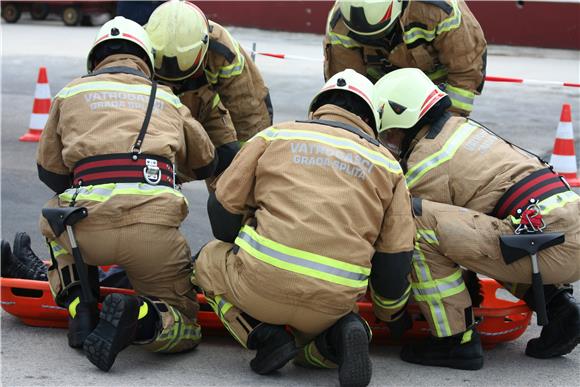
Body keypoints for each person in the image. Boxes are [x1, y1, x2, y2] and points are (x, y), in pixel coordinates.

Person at [193, 69, 415, 387]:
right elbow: (394, 259)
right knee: (311, 346)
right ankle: (340, 334)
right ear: (372, 121)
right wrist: (392, 315)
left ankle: (265, 337)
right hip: (332, 302)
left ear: (316, 109)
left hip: (259, 287)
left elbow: (222, 216)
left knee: (209, 257)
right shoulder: (388, 167)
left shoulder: (275, 136)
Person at [36, 16, 217, 372]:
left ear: (95, 59)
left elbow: (51, 173)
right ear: (147, 60)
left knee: (55, 223)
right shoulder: (165, 97)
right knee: (184, 322)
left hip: (85, 231)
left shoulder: (70, 93)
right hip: (153, 234)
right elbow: (207, 159)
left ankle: (80, 310)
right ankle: (143, 316)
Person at [374, 67, 580, 370]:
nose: (388, 140)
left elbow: (399, 237)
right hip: (562, 230)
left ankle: (454, 341)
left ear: (402, 119)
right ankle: (561, 311)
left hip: (547, 246)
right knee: (491, 230)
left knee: (413, 220)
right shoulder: (459, 129)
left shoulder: (423, 164)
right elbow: (467, 229)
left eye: (388, 133)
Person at [145, 0, 273, 177]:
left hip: (208, 111)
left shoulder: (223, 51)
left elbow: (249, 113)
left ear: (204, 49)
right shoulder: (141, 45)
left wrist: (247, 166)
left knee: (229, 176)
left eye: (187, 75)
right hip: (155, 114)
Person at [324, 0, 487, 116]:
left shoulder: (440, 10)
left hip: (436, 92)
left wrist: (449, 119)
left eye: (381, 33)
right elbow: (347, 87)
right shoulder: (339, 23)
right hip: (380, 93)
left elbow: (465, 72)